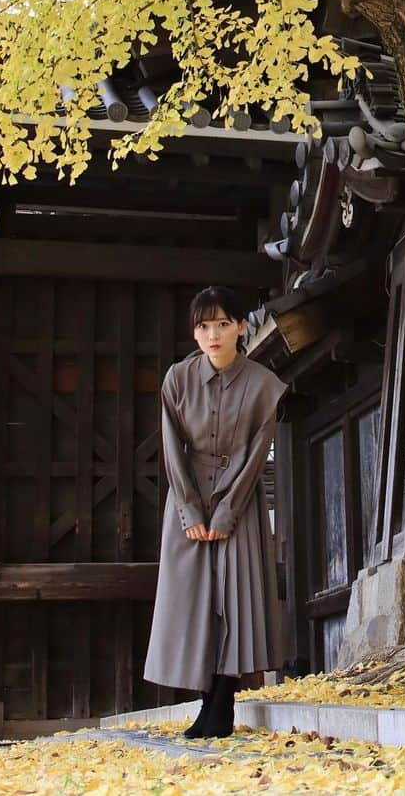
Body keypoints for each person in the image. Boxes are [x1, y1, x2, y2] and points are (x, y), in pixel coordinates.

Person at [143, 285, 288, 738]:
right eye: (204, 326)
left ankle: (223, 704)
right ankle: (205, 704)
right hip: (188, 497)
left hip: (239, 502)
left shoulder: (264, 385)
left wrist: (227, 513)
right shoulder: (177, 380)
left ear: (241, 328)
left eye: (223, 324)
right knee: (194, 603)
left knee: (236, 601)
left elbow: (257, 454)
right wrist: (190, 511)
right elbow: (171, 447)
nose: (213, 334)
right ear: (195, 332)